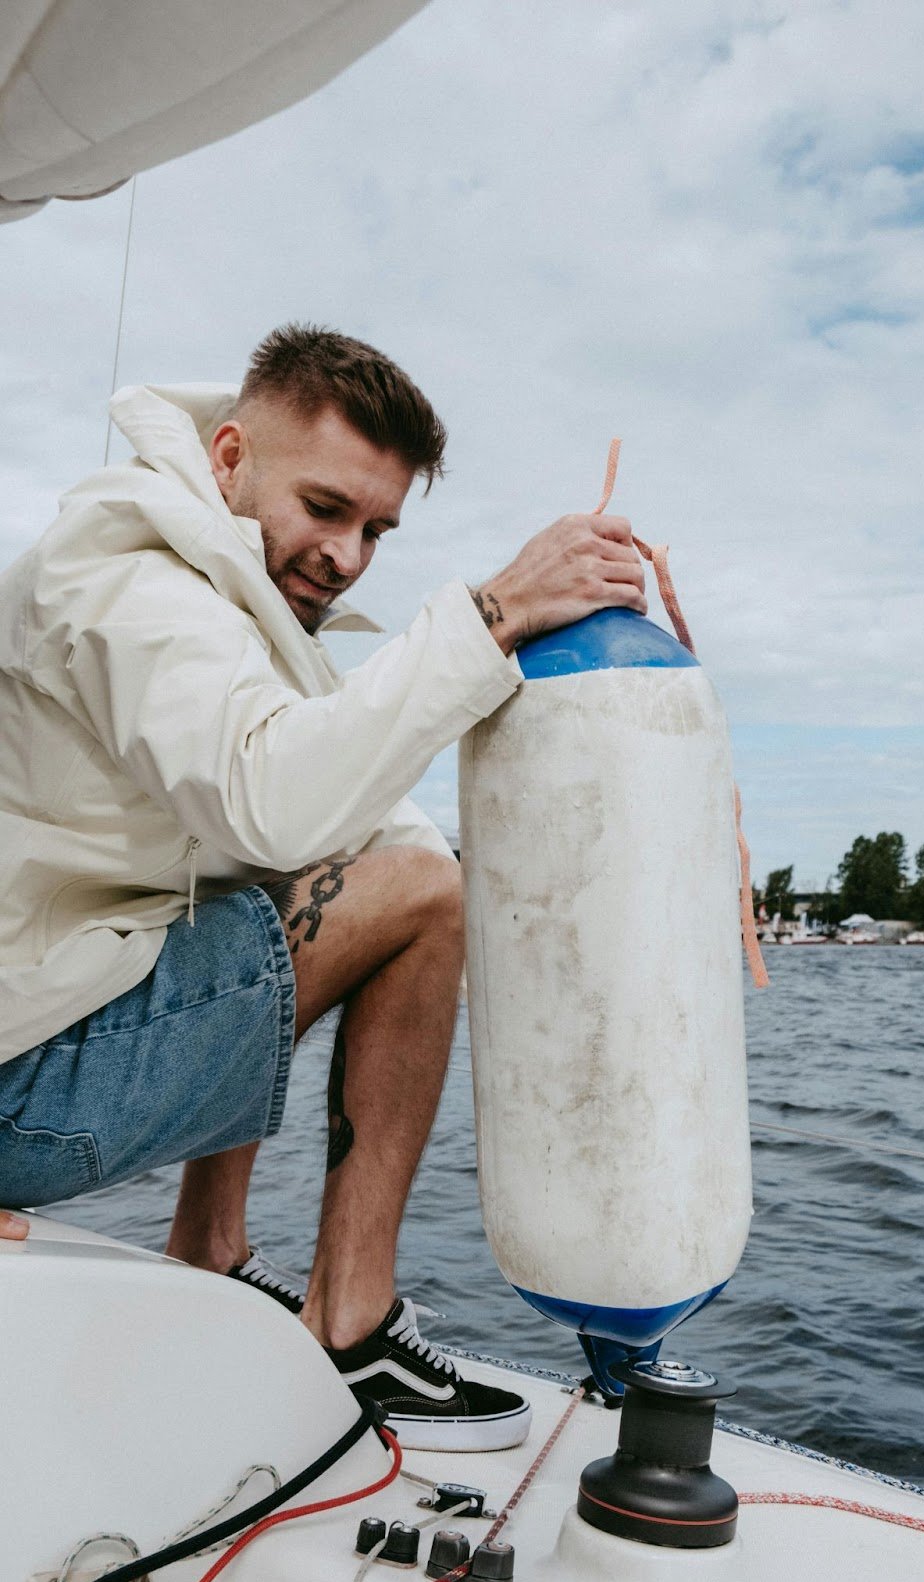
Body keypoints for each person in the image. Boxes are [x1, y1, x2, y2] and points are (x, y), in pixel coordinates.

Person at [0, 324, 645, 1449]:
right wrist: (492, 615)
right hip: (22, 1102)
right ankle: (351, 1318)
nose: (347, 556)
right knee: (423, 897)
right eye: (326, 509)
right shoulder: (129, 588)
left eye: (376, 531)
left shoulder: (206, 591)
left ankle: (210, 1250)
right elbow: (281, 804)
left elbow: (344, 815)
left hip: (27, 1060)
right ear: (231, 455)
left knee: (333, 870)